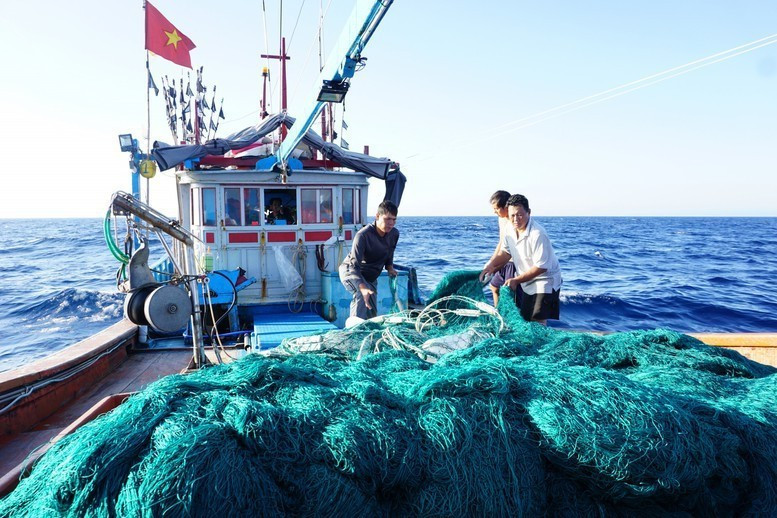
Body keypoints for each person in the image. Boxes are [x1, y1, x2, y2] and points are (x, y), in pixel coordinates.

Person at [482, 194, 562, 324]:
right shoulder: (509, 228)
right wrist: (490, 266)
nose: (515, 219)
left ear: (529, 212)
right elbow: (505, 252)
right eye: (512, 215)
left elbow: (541, 267)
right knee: (525, 319)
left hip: (545, 280)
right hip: (526, 280)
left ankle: (540, 343)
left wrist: (516, 280)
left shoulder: (538, 234)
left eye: (519, 215)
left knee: (537, 319)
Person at [339, 200, 399, 320]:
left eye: (394, 219)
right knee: (361, 294)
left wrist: (390, 268)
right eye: (388, 219)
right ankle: (354, 333)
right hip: (351, 271)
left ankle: (370, 333)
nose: (391, 223)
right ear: (377, 216)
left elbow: (389, 252)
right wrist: (362, 286)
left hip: (371, 277)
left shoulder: (394, 234)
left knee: (371, 311)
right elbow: (354, 266)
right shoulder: (363, 235)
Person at [480, 190, 523, 306]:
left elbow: (510, 251)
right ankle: (498, 313)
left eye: (496, 209)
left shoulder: (514, 222)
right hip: (503, 260)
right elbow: (501, 242)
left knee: (509, 294)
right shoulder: (501, 219)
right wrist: (491, 262)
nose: (494, 212)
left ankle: (510, 318)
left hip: (513, 263)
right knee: (494, 286)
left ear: (506, 207)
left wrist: (494, 265)